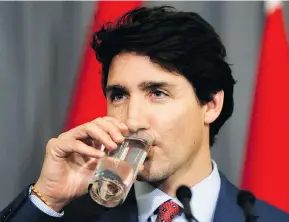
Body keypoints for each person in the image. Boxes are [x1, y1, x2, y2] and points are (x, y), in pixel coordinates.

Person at [1, 6, 288, 222]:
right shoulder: (70, 216)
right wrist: (47, 198)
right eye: (119, 95)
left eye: (158, 93)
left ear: (211, 105)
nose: (131, 119)